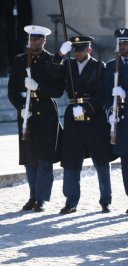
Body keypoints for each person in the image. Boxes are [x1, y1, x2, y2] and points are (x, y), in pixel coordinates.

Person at [52, 36, 113, 214]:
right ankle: (71, 201)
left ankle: (106, 200)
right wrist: (59, 55)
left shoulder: (98, 67)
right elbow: (52, 72)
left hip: (94, 118)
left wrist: (87, 107)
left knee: (101, 160)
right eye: (75, 50)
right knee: (71, 160)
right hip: (73, 116)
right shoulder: (68, 66)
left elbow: (103, 93)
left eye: (81, 49)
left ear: (89, 50)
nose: (78, 53)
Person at [8, 25, 62, 212]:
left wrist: (38, 87)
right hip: (26, 115)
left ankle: (42, 198)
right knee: (29, 158)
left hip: (46, 115)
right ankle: (32, 196)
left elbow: (58, 90)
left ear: (44, 41)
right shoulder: (20, 60)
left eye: (37, 39)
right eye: (31, 39)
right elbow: (12, 90)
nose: (33, 42)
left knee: (44, 158)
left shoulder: (51, 61)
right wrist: (21, 108)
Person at [104, 28, 128, 215]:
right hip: (121, 122)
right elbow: (104, 93)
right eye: (119, 43)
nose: (121, 46)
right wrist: (110, 111)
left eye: (125, 43)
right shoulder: (111, 66)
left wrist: (126, 94)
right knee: (126, 165)